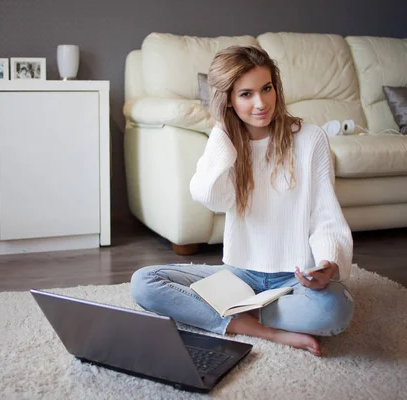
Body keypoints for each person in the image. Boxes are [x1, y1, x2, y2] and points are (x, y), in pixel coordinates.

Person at [130, 46, 354, 356]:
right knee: (144, 282)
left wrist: (328, 263)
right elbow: (210, 197)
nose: (261, 103)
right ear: (229, 101)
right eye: (246, 94)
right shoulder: (226, 144)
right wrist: (224, 134)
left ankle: (232, 313)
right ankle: (260, 328)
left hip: (293, 277)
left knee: (334, 310)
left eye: (267, 88)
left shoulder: (310, 138)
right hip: (239, 276)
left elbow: (325, 213)